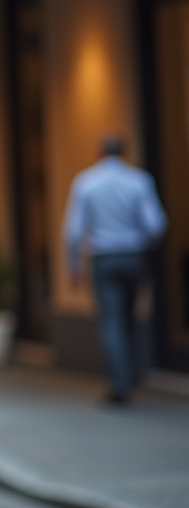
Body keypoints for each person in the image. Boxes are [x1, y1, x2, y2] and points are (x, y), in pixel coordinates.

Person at [63, 135, 166, 405]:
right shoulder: (139, 180)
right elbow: (156, 225)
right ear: (126, 153)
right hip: (133, 256)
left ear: (98, 153)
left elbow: (73, 231)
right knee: (129, 318)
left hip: (103, 258)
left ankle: (119, 384)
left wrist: (73, 266)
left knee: (112, 321)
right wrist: (140, 243)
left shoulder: (86, 182)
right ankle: (130, 378)